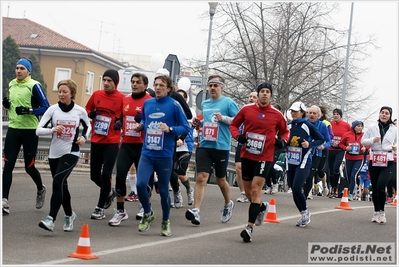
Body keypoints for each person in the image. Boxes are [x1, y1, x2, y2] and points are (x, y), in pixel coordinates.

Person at [230, 83, 289, 242]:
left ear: (270, 95)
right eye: (262, 91)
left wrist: (282, 142)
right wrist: (238, 136)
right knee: (249, 193)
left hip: (265, 156)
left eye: (267, 92)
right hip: (248, 154)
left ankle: (249, 227)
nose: (264, 94)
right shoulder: (247, 109)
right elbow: (233, 125)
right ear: (258, 94)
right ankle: (261, 207)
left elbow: (285, 132)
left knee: (256, 190)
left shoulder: (276, 114)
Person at [134, 75, 190, 236]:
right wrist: (141, 126)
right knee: (140, 185)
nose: (157, 88)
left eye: (161, 85)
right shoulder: (148, 103)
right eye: (156, 85)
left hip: (164, 154)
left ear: (168, 88)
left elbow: (185, 127)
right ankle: (148, 213)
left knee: (164, 191)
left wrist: (171, 130)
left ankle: (166, 220)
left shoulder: (174, 105)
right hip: (147, 152)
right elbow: (145, 120)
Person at [36, 79, 91, 232]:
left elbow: (88, 126)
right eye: (59, 91)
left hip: (71, 151)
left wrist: (83, 138)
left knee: (57, 181)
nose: (61, 94)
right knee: (62, 185)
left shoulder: (79, 111)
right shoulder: (52, 110)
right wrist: (52, 129)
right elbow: (38, 130)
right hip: (54, 153)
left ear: (71, 93)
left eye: (65, 92)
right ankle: (69, 215)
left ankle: (51, 219)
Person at [186, 74, 239, 226]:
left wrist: (224, 118)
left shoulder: (228, 103)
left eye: (216, 85)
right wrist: (199, 122)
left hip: (221, 146)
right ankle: (196, 211)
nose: (213, 88)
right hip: (205, 145)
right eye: (211, 85)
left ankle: (228, 203)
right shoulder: (206, 103)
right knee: (201, 177)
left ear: (222, 87)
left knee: (221, 180)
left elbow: (238, 121)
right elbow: (209, 123)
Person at [2, 57, 50, 215]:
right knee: (8, 166)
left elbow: (46, 108)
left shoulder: (34, 85)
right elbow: (12, 105)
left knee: (29, 168)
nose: (18, 71)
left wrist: (29, 111)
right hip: (13, 129)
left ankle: (40, 189)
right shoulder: (11, 84)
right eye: (17, 68)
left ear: (28, 71)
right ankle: (4, 201)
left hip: (30, 130)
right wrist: (6, 105)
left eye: (22, 68)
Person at [108, 73, 153, 226]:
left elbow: (155, 122)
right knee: (120, 175)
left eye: (138, 82)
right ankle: (120, 211)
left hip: (144, 146)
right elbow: (121, 115)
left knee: (144, 179)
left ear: (145, 85)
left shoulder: (150, 101)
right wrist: (119, 122)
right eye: (133, 82)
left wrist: (144, 122)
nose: (134, 84)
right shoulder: (125, 99)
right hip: (127, 144)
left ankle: (144, 207)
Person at [85, 69, 125, 219]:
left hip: (112, 142)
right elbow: (87, 109)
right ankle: (109, 192)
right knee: (94, 176)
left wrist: (120, 122)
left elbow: (125, 116)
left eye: (110, 81)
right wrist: (90, 114)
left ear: (116, 82)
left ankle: (99, 208)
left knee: (106, 174)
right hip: (96, 140)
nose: (107, 83)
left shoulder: (121, 98)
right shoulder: (96, 95)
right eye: (105, 80)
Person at [286, 102, 325, 227]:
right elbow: (283, 139)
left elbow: (321, 139)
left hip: (304, 161)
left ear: (302, 112)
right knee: (293, 189)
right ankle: (304, 212)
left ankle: (305, 213)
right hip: (291, 160)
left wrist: (309, 144)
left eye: (296, 111)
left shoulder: (307, 125)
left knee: (297, 187)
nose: (293, 113)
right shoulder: (289, 126)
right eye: (292, 111)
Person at [361, 106, 397, 223]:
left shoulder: (394, 129)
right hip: (375, 158)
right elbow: (363, 141)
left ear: (390, 115)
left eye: (387, 113)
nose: (384, 115)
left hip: (388, 159)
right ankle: (376, 211)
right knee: (375, 186)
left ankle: (382, 212)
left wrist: (396, 147)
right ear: (379, 114)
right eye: (382, 113)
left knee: (381, 185)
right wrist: (372, 140)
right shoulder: (372, 127)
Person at [171, 89, 196, 206]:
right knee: (171, 173)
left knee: (181, 174)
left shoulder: (189, 111)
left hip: (185, 146)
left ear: (185, 100)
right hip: (172, 145)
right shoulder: (170, 108)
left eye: (180, 98)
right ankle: (177, 193)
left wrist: (181, 139)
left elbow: (189, 127)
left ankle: (189, 190)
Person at [303, 105, 332, 200]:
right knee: (301, 173)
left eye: (314, 113)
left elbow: (329, 141)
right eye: (310, 113)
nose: (311, 115)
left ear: (319, 116)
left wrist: (323, 146)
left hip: (316, 153)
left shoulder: (322, 125)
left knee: (310, 174)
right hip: (303, 152)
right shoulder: (304, 123)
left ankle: (307, 193)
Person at [236, 91, 258, 203]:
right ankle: (243, 192)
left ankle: (252, 192)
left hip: (255, 145)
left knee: (252, 171)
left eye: (254, 97)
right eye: (250, 96)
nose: (251, 98)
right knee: (238, 168)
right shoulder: (243, 110)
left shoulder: (260, 112)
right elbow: (234, 123)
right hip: (242, 143)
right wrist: (237, 135)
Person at [338, 120, 368, 201]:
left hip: (359, 158)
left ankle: (351, 193)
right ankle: (351, 190)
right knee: (348, 176)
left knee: (353, 175)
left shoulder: (364, 135)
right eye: (358, 126)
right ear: (354, 127)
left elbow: (369, 144)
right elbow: (341, 144)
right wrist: (345, 148)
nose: (360, 128)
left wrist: (365, 148)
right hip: (349, 158)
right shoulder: (347, 134)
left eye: (361, 126)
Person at [327, 108, 351, 198]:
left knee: (336, 168)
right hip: (330, 149)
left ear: (340, 115)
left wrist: (347, 146)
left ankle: (336, 188)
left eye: (337, 114)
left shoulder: (346, 125)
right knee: (331, 170)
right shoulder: (330, 124)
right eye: (334, 114)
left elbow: (349, 136)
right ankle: (332, 188)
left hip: (340, 150)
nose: (335, 115)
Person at [318, 105, 334, 196]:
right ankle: (309, 192)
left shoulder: (326, 123)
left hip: (323, 148)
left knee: (320, 170)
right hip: (312, 148)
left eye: (316, 113)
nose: (313, 115)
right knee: (311, 169)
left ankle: (324, 185)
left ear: (322, 114)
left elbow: (331, 136)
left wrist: (322, 139)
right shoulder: (310, 122)